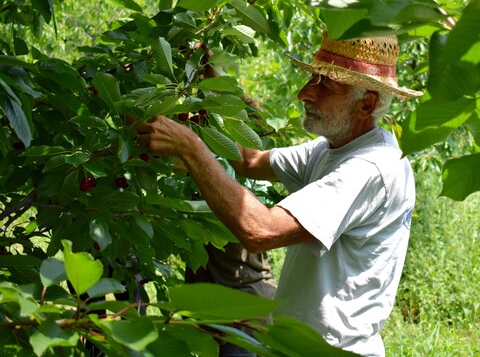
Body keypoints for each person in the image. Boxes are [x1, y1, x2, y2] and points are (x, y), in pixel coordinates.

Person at [136, 30, 423, 356]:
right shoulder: (330, 149)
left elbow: (260, 231)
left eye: (325, 84)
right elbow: (248, 160)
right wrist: (212, 77)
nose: (304, 93)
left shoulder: (370, 167)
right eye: (313, 78)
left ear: (366, 103)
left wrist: (192, 148)